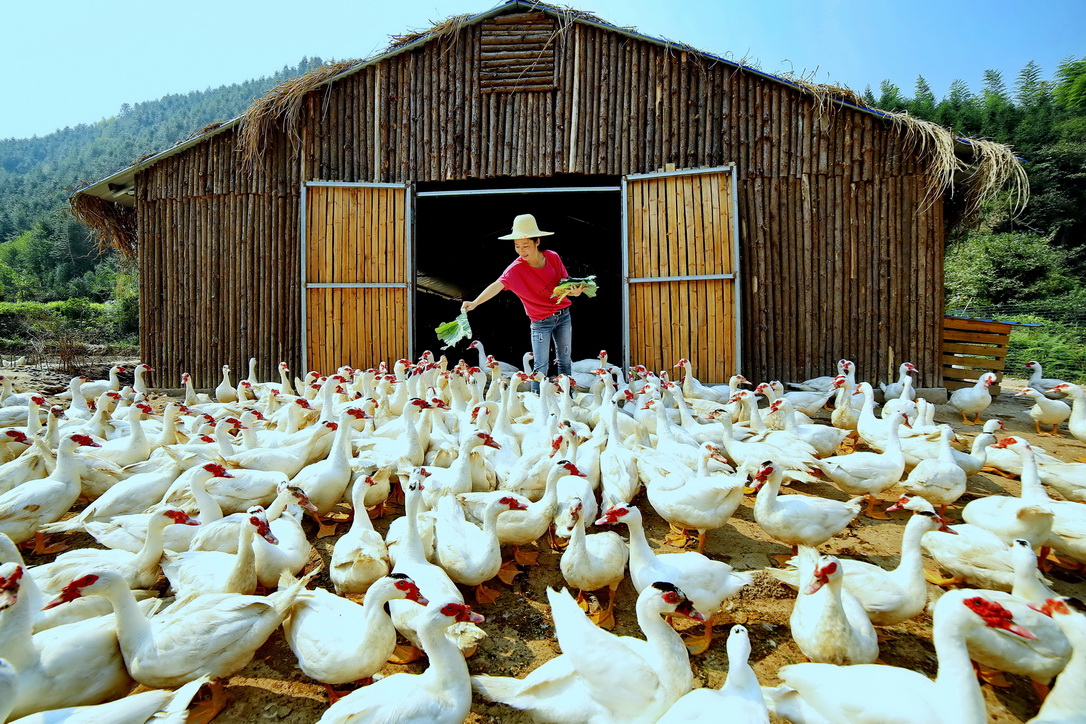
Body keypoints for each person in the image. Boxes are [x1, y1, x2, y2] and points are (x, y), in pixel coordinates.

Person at [461, 214, 586, 393]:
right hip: (540, 322)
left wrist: (575, 292)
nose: (521, 251)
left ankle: (568, 398)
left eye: (525, 245)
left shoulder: (552, 257)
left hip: (563, 316)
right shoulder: (515, 269)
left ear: (537, 242)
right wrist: (475, 302)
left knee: (565, 362)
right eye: (517, 246)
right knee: (540, 366)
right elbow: (497, 285)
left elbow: (565, 285)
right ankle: (536, 398)